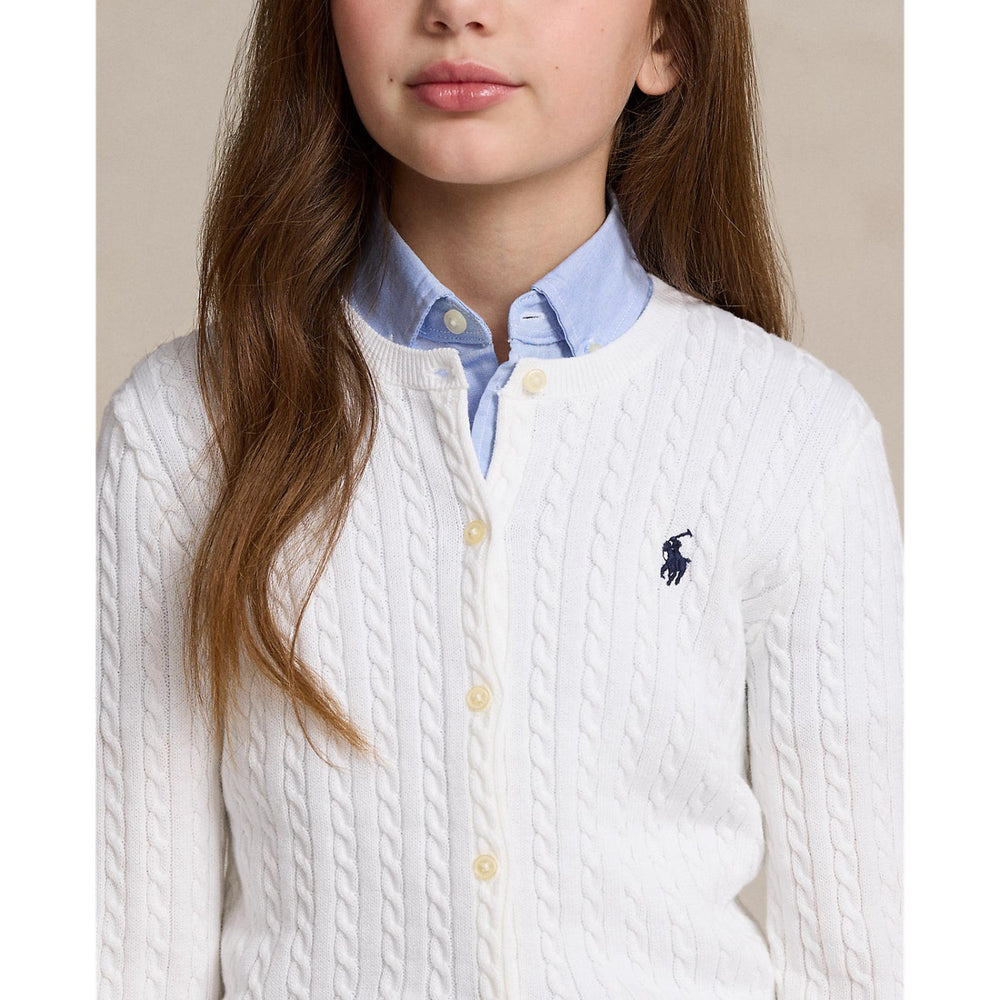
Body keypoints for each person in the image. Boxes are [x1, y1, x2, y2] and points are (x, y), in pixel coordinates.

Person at [96, 1, 903, 998]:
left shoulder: (796, 438)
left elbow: (865, 962)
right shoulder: (180, 432)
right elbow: (125, 957)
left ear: (663, 39)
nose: (458, 11)